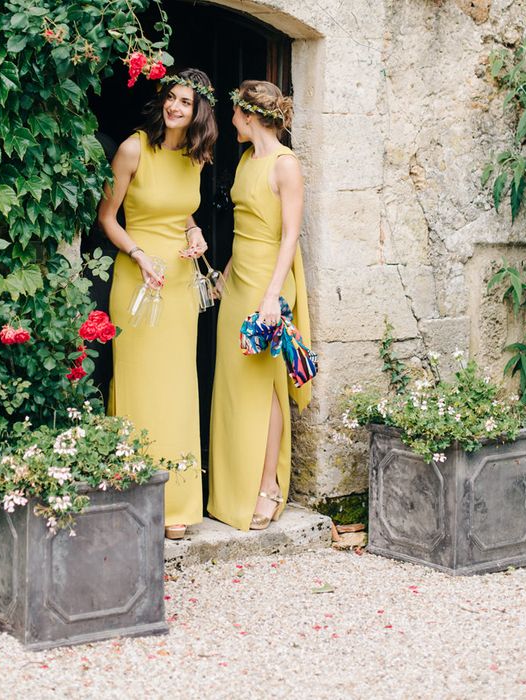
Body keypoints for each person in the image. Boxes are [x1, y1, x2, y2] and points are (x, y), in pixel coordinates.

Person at [98, 68, 218, 540]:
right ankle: (131, 495)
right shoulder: (133, 148)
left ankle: (179, 506)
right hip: (138, 276)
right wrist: (139, 254)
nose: (175, 107)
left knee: (177, 385)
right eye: (171, 98)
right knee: (141, 383)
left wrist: (194, 231)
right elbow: (108, 216)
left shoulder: (195, 157)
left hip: (180, 281)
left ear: (197, 112)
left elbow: (180, 207)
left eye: (185, 102)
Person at [208, 80, 312, 531]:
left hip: (269, 283)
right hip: (240, 279)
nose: (230, 120)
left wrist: (272, 296)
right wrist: (225, 274)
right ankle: (232, 488)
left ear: (249, 116)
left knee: (266, 385)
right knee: (234, 384)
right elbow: (244, 228)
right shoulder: (247, 158)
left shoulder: (285, 165)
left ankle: (267, 485)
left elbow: (289, 234)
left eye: (234, 113)